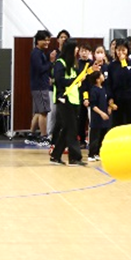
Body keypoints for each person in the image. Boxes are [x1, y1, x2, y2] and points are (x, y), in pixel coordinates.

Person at [49, 39, 86, 167]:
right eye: (75, 48)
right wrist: (75, 79)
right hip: (64, 100)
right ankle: (75, 158)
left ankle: (55, 156)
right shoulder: (60, 63)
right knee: (72, 129)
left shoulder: (74, 64)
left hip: (74, 100)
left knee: (67, 129)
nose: (77, 50)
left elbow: (77, 79)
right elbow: (60, 81)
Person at [29, 30, 53, 144]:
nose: (47, 42)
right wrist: (51, 62)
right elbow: (40, 69)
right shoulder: (36, 53)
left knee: (38, 111)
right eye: (45, 40)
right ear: (38, 41)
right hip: (40, 86)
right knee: (44, 112)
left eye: (48, 40)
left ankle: (31, 135)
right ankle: (44, 137)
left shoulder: (40, 53)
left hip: (38, 85)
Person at [86, 71, 110, 162]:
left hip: (104, 117)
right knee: (95, 136)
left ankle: (97, 153)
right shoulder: (94, 90)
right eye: (101, 75)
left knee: (101, 135)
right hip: (97, 117)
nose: (103, 76)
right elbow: (93, 105)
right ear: (97, 79)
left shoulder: (103, 89)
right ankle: (91, 154)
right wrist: (101, 113)